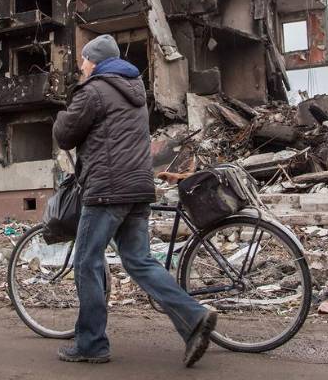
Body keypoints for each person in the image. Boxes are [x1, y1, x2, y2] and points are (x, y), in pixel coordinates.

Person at [53, 34, 217, 367]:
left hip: (107, 190)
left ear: (95, 61)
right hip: (138, 189)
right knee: (140, 261)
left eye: (84, 60)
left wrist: (61, 114)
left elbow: (65, 135)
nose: (81, 66)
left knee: (86, 262)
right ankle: (193, 317)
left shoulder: (94, 91)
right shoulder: (135, 90)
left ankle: (91, 344)